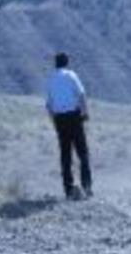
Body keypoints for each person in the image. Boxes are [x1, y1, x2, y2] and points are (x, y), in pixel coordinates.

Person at [45, 52, 93, 200]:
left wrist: (54, 123)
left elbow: (49, 105)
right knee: (82, 152)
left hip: (60, 120)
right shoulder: (71, 75)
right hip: (74, 117)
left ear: (55, 63)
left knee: (65, 155)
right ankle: (87, 186)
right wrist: (85, 113)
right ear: (67, 62)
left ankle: (68, 189)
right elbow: (81, 94)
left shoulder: (51, 79)